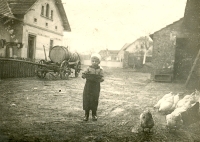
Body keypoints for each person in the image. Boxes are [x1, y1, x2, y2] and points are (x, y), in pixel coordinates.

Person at [82, 53, 104, 121]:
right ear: (91, 61)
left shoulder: (100, 69)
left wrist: (101, 79)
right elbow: (84, 74)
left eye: (96, 61)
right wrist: (84, 75)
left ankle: (94, 114)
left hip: (96, 86)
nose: (94, 62)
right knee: (87, 98)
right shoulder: (88, 68)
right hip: (88, 85)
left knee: (95, 99)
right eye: (93, 61)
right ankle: (86, 115)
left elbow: (102, 77)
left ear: (99, 62)